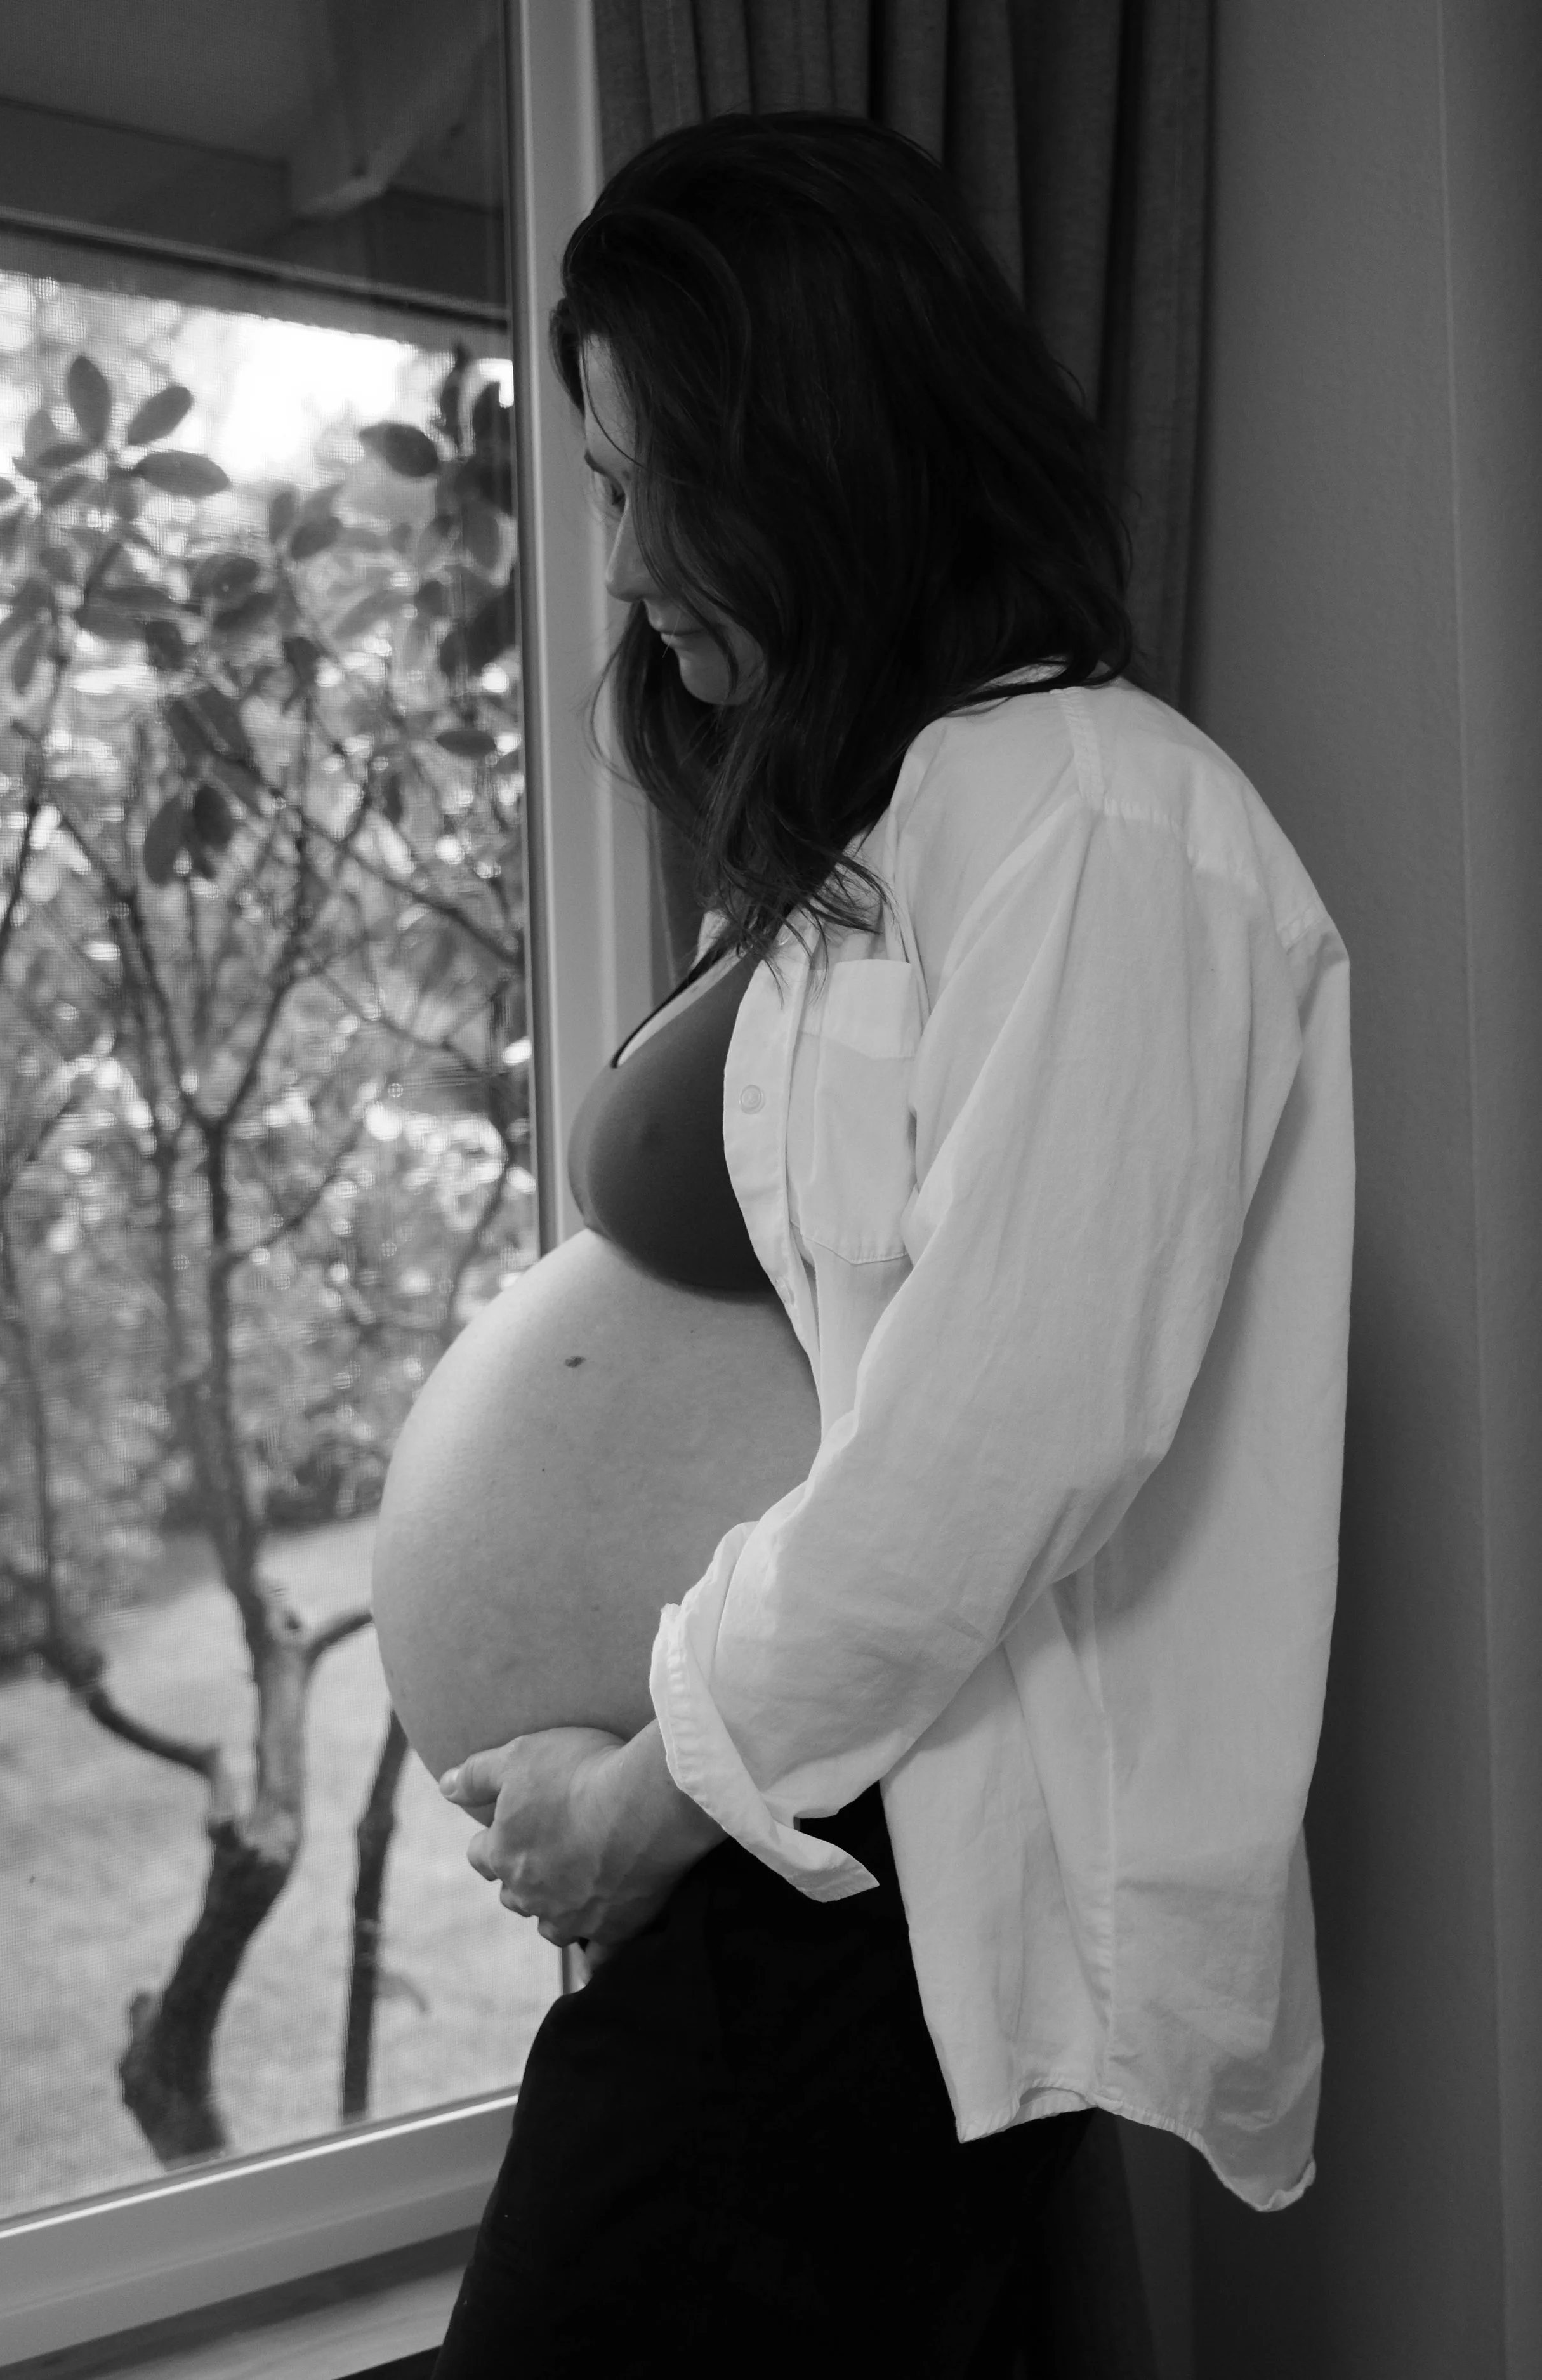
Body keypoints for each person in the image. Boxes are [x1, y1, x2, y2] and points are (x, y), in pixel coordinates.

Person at [428, 112, 1354, 2378]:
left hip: (863, 1871)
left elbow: (999, 1430)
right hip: (816, 1845)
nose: (627, 571)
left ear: (826, 451)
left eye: (662, 489)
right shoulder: (918, 818)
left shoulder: (1105, 823)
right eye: (600, 491)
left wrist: (646, 1793)